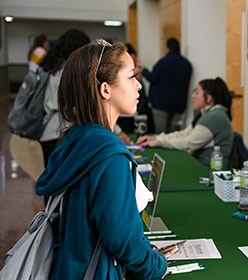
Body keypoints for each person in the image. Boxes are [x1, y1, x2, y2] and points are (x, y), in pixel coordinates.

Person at [35, 40, 172, 279]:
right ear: (106, 89)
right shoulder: (109, 155)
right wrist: (155, 266)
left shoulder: (77, 136)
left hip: (70, 267)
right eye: (131, 77)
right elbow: (123, 239)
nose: (139, 85)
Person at [137, 77, 234, 169]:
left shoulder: (215, 116)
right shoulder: (208, 113)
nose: (192, 96)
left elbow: (188, 143)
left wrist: (158, 141)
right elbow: (184, 134)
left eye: (196, 92)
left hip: (208, 171)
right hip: (200, 165)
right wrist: (156, 138)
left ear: (208, 98)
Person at [38, 29, 90, 166]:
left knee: (51, 176)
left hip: (47, 130)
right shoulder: (67, 71)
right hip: (60, 130)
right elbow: (76, 106)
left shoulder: (50, 66)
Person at [141, 38, 192, 133]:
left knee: (161, 133)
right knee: (175, 135)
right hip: (178, 106)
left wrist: (143, 69)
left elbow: (152, 77)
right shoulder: (187, 65)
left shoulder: (163, 62)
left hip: (160, 104)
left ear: (167, 48)